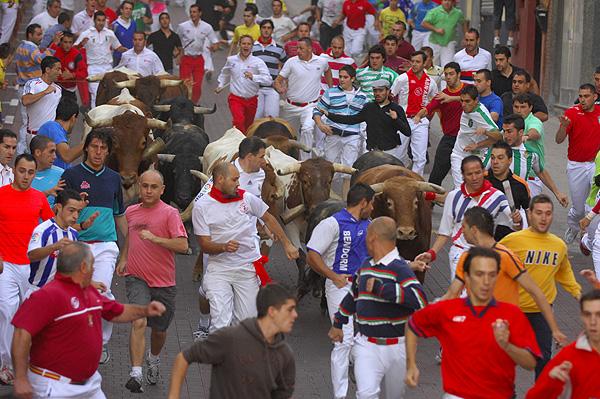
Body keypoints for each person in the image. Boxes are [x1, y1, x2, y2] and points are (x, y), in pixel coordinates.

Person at [11, 241, 166, 399]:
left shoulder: (89, 292)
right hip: (55, 387)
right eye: (93, 265)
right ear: (83, 267)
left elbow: (116, 312)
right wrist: (21, 378)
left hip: (90, 386)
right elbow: (21, 334)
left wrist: (145, 311)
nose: (94, 270)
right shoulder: (48, 296)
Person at [406, 247, 540, 398]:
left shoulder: (512, 314)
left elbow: (530, 363)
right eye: (479, 274)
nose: (486, 281)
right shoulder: (447, 310)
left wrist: (507, 345)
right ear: (467, 278)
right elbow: (413, 325)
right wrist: (411, 365)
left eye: (491, 275)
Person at [192, 162, 299, 333]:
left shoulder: (247, 198)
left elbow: (269, 218)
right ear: (220, 180)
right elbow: (204, 244)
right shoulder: (202, 206)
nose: (238, 184)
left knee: (247, 323)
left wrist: (287, 244)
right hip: (219, 269)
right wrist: (223, 247)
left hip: (246, 268)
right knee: (221, 321)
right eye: (234, 179)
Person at [329, 216, 427, 399]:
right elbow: (353, 295)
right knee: (366, 394)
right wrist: (338, 322)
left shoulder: (400, 268)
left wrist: (382, 289)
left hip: (397, 348)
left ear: (373, 238)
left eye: (367, 236)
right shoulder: (366, 265)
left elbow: (420, 300)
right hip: (366, 346)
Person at [443, 207, 568, 349]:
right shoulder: (467, 258)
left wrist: (554, 329)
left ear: (474, 230)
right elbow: (452, 293)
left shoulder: (505, 257)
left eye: (464, 226)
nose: (462, 231)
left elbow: (535, 292)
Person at [113, 170, 188, 393]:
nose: (147, 191)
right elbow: (131, 237)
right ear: (139, 186)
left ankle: (153, 359)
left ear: (162, 190)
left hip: (164, 282)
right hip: (136, 277)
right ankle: (135, 373)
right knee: (138, 321)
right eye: (144, 186)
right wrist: (124, 258)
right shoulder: (131, 212)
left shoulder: (170, 213)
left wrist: (155, 239)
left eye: (153, 187)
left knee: (159, 331)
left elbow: (183, 245)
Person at [61, 129, 127, 364]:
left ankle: (101, 342)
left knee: (102, 290)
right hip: (77, 246)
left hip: (106, 246)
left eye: (103, 148)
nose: (98, 152)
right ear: (86, 148)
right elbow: (59, 212)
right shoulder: (71, 175)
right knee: (74, 293)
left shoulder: (113, 178)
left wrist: (126, 252)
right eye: (95, 147)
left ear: (108, 152)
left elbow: (120, 215)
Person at [500, 194, 582, 378]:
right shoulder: (512, 240)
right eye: (538, 213)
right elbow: (492, 262)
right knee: (505, 360)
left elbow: (564, 272)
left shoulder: (559, 245)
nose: (543, 218)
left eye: (548, 213)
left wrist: (577, 293)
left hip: (542, 312)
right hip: (513, 310)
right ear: (529, 214)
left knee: (544, 360)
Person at [168, 283, 296, 399]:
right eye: (290, 309)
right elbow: (184, 358)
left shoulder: (285, 354)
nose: (295, 315)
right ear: (272, 311)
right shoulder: (230, 338)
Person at [306, 183, 373, 399]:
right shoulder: (331, 224)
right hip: (340, 290)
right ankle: (340, 395)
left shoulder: (369, 224)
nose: (373, 208)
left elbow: (382, 256)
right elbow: (312, 255)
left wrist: (410, 264)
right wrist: (333, 276)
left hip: (365, 288)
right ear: (364, 203)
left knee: (364, 340)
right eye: (371, 204)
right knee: (343, 341)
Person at [416, 156, 517, 279]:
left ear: (483, 172)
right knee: (462, 294)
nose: (474, 178)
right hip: (459, 253)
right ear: (463, 175)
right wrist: (432, 253)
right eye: (469, 174)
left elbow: (515, 225)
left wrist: (518, 220)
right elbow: (444, 232)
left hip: (486, 254)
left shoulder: (498, 197)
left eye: (478, 173)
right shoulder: (453, 197)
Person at [0, 154, 54, 385]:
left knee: (28, 317)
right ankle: (6, 364)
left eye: (30, 172)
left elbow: (53, 225)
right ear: (14, 170)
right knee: (7, 311)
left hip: (32, 269)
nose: (26, 176)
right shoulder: (1, 195)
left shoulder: (39, 198)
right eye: (22, 171)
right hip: (6, 267)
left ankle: (29, 361)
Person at [526, 289, 600, 398]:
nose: (593, 321)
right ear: (581, 317)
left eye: (599, 314)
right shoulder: (568, 357)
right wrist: (550, 382)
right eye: (587, 314)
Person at [483, 114, 568, 206]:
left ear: (520, 132)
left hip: (518, 205)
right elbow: (481, 171)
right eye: (504, 131)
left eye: (509, 131)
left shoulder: (531, 154)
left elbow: (541, 172)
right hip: (494, 203)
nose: (506, 135)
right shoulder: (495, 150)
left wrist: (557, 193)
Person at [321, 78, 411, 160]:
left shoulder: (396, 108)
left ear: (388, 91)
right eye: (375, 91)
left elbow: (407, 132)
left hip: (390, 152)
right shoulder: (369, 107)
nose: (377, 93)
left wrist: (396, 119)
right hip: (371, 151)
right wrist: (329, 115)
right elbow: (351, 119)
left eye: (381, 90)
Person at [275, 37, 332, 160]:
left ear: (310, 49)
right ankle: (285, 159)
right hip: (290, 106)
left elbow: (328, 71)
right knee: (287, 134)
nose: (298, 51)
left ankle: (305, 162)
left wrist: (331, 89)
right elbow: (278, 80)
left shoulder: (321, 61)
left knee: (307, 129)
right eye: (297, 48)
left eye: (301, 48)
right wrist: (279, 88)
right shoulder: (291, 62)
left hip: (310, 106)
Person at [556, 83, 600, 244]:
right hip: (576, 165)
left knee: (594, 204)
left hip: (596, 165)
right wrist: (563, 127)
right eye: (580, 96)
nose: (582, 100)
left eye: (586, 96)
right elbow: (558, 140)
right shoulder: (571, 113)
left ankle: (591, 238)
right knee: (579, 209)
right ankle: (574, 227)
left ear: (595, 97)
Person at [313, 65, 367, 192]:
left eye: (345, 77)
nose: (342, 79)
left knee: (348, 170)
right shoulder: (330, 92)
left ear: (353, 79)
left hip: (352, 136)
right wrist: (320, 125)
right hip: (333, 134)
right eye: (340, 77)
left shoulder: (363, 96)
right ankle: (328, 199)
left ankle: (344, 201)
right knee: (330, 167)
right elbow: (317, 110)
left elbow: (365, 117)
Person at [414, 61, 464, 186]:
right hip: (449, 139)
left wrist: (452, 98)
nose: (448, 77)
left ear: (459, 75)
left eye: (451, 74)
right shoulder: (441, 96)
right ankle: (429, 203)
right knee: (435, 176)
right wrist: (418, 116)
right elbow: (427, 109)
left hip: (467, 139)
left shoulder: (468, 89)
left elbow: (473, 99)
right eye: (446, 74)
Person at [391, 50, 438, 176]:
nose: (415, 64)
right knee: (398, 155)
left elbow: (435, 101)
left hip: (421, 122)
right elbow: (391, 96)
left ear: (424, 63)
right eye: (413, 61)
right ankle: (398, 181)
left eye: (418, 62)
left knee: (420, 158)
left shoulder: (430, 82)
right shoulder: (402, 78)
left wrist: (427, 113)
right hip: (403, 120)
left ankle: (416, 186)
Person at [216, 35, 272, 133]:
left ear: (252, 46)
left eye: (248, 44)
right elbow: (225, 73)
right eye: (243, 43)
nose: (246, 46)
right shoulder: (231, 60)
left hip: (252, 100)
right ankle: (239, 142)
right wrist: (220, 85)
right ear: (239, 45)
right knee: (239, 121)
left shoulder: (258, 62)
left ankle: (243, 141)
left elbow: (268, 80)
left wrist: (254, 77)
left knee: (248, 126)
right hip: (236, 98)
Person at [449, 85, 502, 188]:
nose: (463, 105)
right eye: (462, 101)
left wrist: (485, 134)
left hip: (479, 154)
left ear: (476, 100)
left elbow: (498, 137)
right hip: (459, 152)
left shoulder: (481, 114)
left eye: (467, 101)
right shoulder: (466, 109)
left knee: (474, 187)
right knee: (460, 188)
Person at [15, 23, 54, 155]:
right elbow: (45, 60)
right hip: (31, 89)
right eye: (38, 34)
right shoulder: (32, 49)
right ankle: (23, 152)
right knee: (29, 122)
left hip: (22, 86)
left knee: (27, 121)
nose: (40, 37)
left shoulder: (20, 47)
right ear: (30, 35)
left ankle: (23, 151)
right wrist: (52, 46)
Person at [75, 11, 126, 107]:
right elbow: (74, 49)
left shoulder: (110, 33)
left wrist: (129, 51)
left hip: (108, 68)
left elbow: (118, 47)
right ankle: (95, 117)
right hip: (93, 68)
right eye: (98, 20)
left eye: (103, 20)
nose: (101, 23)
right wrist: (81, 44)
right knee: (95, 94)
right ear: (94, 21)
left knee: (111, 92)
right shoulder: (86, 33)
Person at [484, 141, 530, 239]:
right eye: (492, 158)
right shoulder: (481, 180)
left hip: (509, 241)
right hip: (483, 239)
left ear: (510, 160)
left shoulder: (520, 185)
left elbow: (529, 213)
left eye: (500, 158)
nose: (495, 162)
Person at [177, 4, 219, 104]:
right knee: (185, 84)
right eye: (191, 12)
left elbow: (215, 41)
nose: (192, 14)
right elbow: (176, 40)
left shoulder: (207, 27)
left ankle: (193, 105)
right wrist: (178, 54)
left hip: (199, 59)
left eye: (194, 12)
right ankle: (184, 103)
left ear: (200, 13)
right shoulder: (183, 26)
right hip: (186, 59)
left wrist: (214, 47)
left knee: (197, 86)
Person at [21, 56, 63, 155]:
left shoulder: (58, 89)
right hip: (34, 136)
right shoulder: (32, 84)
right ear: (47, 70)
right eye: (58, 69)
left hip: (51, 137)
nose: (60, 73)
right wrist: (45, 92)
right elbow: (25, 101)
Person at [512, 93, 546, 195]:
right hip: (515, 175)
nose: (519, 110)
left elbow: (535, 132)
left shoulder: (534, 121)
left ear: (530, 108)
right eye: (516, 107)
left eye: (523, 107)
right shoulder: (512, 122)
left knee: (530, 210)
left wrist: (526, 136)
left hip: (532, 178)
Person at [252, 19, 286, 119]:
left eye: (269, 28)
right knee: (255, 119)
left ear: (272, 30)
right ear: (260, 29)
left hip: (272, 89)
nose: (266, 30)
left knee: (272, 119)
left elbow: (286, 66)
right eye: (264, 28)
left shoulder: (279, 49)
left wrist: (282, 83)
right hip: (255, 89)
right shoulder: (252, 47)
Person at [37, 99, 82, 170]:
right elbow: (67, 156)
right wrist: (88, 141)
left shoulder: (55, 129)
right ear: (73, 118)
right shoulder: (52, 127)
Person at [421, 0, 467, 68]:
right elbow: (424, 23)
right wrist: (436, 29)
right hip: (434, 43)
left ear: (453, 2)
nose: (447, 2)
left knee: (448, 66)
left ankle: (445, 78)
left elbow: (464, 22)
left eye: (449, 0)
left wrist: (466, 37)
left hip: (449, 43)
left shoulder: (458, 13)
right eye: (445, 0)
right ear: (442, 1)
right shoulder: (434, 11)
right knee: (431, 65)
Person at [29, 135, 64, 207]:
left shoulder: (61, 174)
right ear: (38, 152)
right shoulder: (20, 175)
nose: (55, 157)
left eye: (55, 152)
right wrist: (46, 193)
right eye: (51, 152)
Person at [112, 1, 136, 65]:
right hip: (118, 58)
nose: (128, 11)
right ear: (121, 10)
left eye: (130, 9)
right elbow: (111, 41)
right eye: (126, 8)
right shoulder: (115, 25)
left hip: (132, 57)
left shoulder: (134, 23)